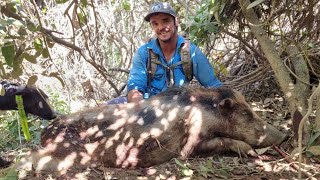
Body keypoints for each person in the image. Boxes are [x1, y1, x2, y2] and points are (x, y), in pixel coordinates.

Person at [106, 2, 222, 104]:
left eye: (165, 21)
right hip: (148, 105)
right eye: (155, 23)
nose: (161, 27)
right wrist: (140, 111)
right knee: (109, 108)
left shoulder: (190, 51)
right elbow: (135, 89)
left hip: (179, 107)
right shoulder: (144, 53)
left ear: (176, 21)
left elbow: (213, 85)